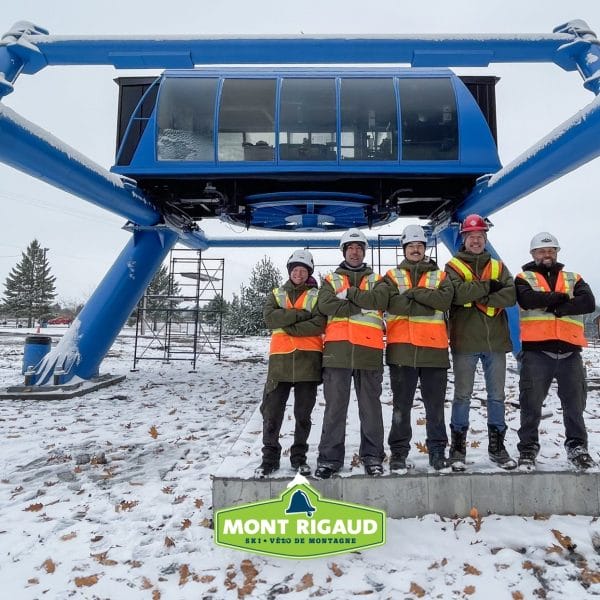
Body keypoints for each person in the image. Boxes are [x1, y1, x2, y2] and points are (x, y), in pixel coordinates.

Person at [515, 232, 596, 470]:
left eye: (551, 250)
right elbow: (528, 300)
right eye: (541, 251)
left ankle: (577, 447)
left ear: (557, 252)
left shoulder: (574, 277)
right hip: (537, 352)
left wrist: (555, 308)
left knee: (575, 405)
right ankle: (528, 449)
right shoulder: (523, 277)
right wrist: (562, 298)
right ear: (533, 254)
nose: (546, 254)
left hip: (570, 351)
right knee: (531, 404)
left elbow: (588, 302)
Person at [445, 214, 517, 471]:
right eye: (471, 236)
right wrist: (489, 287)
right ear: (463, 239)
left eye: (480, 236)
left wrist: (480, 296)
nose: (476, 240)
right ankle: (458, 449)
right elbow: (456, 294)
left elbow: (510, 296)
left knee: (497, 396)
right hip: (465, 341)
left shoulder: (499, 266)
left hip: (495, 343)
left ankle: (497, 447)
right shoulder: (452, 267)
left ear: (485, 239)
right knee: (462, 396)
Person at [314, 228, 388, 478]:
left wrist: (347, 301)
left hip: (369, 351)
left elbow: (380, 302)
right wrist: (360, 304)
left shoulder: (377, 280)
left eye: (359, 248)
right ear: (344, 251)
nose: (355, 252)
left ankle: (373, 456)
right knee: (335, 409)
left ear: (364, 252)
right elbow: (325, 305)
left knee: (371, 409)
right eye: (351, 248)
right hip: (338, 353)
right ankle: (329, 459)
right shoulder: (331, 280)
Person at [383, 224, 454, 473]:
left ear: (425, 248)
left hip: (434, 351)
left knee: (435, 407)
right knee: (401, 406)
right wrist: (426, 301)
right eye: (411, 245)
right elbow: (392, 304)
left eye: (419, 245)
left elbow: (444, 301)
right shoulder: (391, 277)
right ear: (404, 248)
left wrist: (412, 294)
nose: (415, 249)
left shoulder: (441, 276)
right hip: (402, 351)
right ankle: (399, 453)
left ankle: (437, 452)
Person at [255, 250, 326, 478]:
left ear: (308, 273)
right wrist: (300, 315)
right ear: (289, 272)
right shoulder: (276, 293)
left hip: (308, 363)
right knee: (272, 413)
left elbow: (319, 323)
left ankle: (299, 458)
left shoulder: (317, 295)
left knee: (303, 416)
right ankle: (269, 459)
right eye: (295, 270)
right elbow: (269, 319)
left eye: (303, 270)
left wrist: (288, 323)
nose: (298, 273)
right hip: (280, 364)